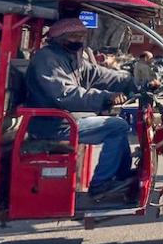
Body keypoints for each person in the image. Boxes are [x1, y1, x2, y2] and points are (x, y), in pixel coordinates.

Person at [25, 18, 155, 198]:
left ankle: (120, 175)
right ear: (59, 37)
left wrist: (133, 82)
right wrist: (106, 97)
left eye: (81, 36)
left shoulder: (70, 58)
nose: (78, 40)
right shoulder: (47, 58)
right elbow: (66, 94)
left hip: (64, 120)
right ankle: (101, 184)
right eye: (73, 36)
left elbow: (102, 75)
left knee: (118, 125)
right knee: (116, 126)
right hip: (52, 125)